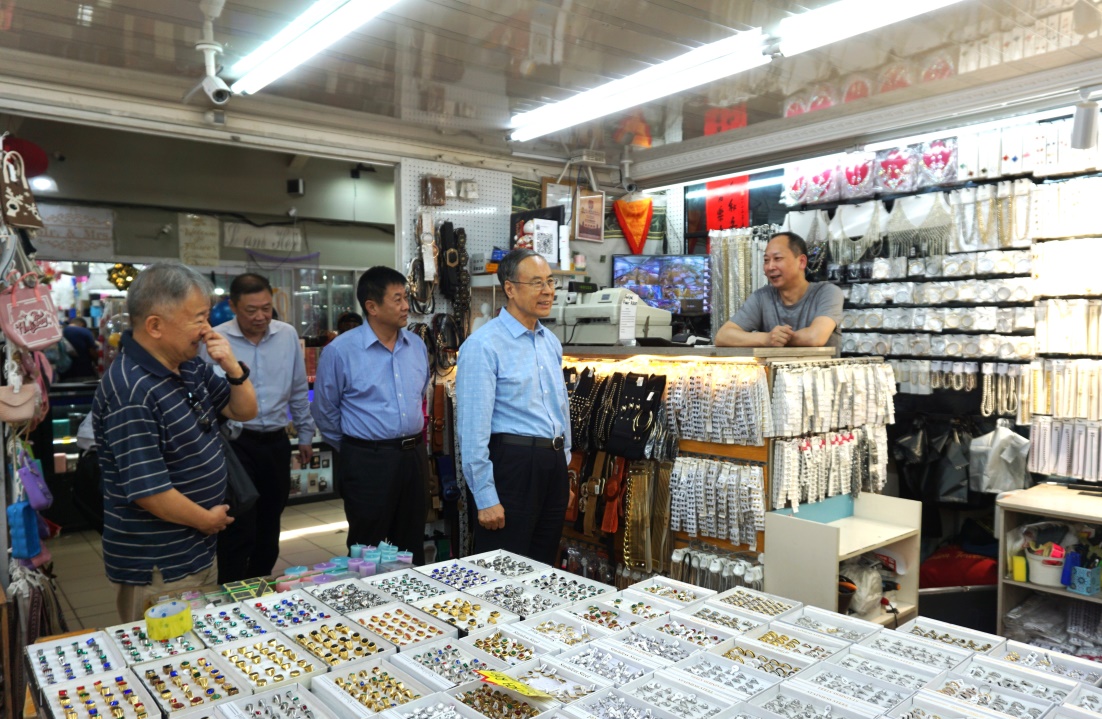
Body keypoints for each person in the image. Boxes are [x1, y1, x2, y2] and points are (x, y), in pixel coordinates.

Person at [92, 262, 257, 622]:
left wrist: (232, 367)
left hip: (195, 550)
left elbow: (243, 410)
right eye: (198, 319)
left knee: (199, 645)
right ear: (155, 326)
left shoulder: (187, 365)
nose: (207, 329)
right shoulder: (131, 390)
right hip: (159, 563)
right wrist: (206, 520)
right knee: (166, 652)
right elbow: (149, 491)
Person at [455, 248, 570, 566]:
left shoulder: (550, 341)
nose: (547, 291)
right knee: (503, 570)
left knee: (543, 568)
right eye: (536, 283)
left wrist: (564, 470)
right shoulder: (483, 345)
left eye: (550, 282)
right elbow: (472, 429)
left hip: (551, 466)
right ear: (510, 288)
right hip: (512, 466)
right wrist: (485, 496)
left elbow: (559, 410)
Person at [201, 273, 316, 583]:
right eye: (251, 310)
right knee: (239, 526)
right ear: (233, 306)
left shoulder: (287, 335)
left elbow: (298, 389)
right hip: (234, 445)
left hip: (276, 443)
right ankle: (231, 590)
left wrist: (305, 434)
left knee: (270, 524)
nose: (260, 316)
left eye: (266, 308)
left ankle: (260, 587)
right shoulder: (215, 340)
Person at [312, 266, 430, 562]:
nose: (406, 306)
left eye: (406, 298)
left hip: (414, 457)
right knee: (367, 545)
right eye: (397, 299)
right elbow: (325, 411)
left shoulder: (416, 346)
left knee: (411, 541)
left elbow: (419, 396)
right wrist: (358, 448)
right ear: (372, 307)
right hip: (367, 460)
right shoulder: (340, 351)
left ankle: (411, 592)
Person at [715, 232, 845, 350]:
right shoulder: (762, 297)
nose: (770, 267)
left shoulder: (827, 292)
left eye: (777, 258)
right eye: (766, 260)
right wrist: (766, 339)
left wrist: (779, 339)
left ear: (801, 262)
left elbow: (815, 337)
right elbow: (722, 336)